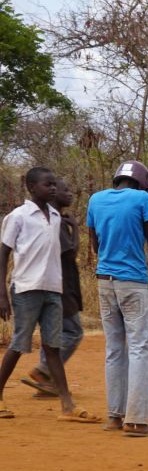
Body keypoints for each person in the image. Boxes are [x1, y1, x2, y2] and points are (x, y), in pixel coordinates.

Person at [0, 168, 100, 423]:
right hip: (26, 288)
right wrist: (2, 292)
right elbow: (3, 254)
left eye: (55, 184)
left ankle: (67, 405)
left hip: (53, 289)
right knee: (19, 344)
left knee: (53, 347)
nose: (53, 189)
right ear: (32, 187)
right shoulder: (18, 216)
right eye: (48, 184)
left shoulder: (55, 216)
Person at [86, 160, 148, 437]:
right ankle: (137, 421)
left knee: (114, 349)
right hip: (133, 282)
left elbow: (95, 245)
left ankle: (114, 417)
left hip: (105, 281)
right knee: (139, 347)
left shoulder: (95, 199)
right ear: (143, 183)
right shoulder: (142, 198)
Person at [20, 178, 84, 398]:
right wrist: (75, 227)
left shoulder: (52, 219)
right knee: (73, 331)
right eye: (64, 190)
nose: (69, 194)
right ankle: (45, 372)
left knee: (54, 332)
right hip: (59, 284)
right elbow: (71, 252)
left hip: (57, 282)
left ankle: (48, 382)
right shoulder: (55, 221)